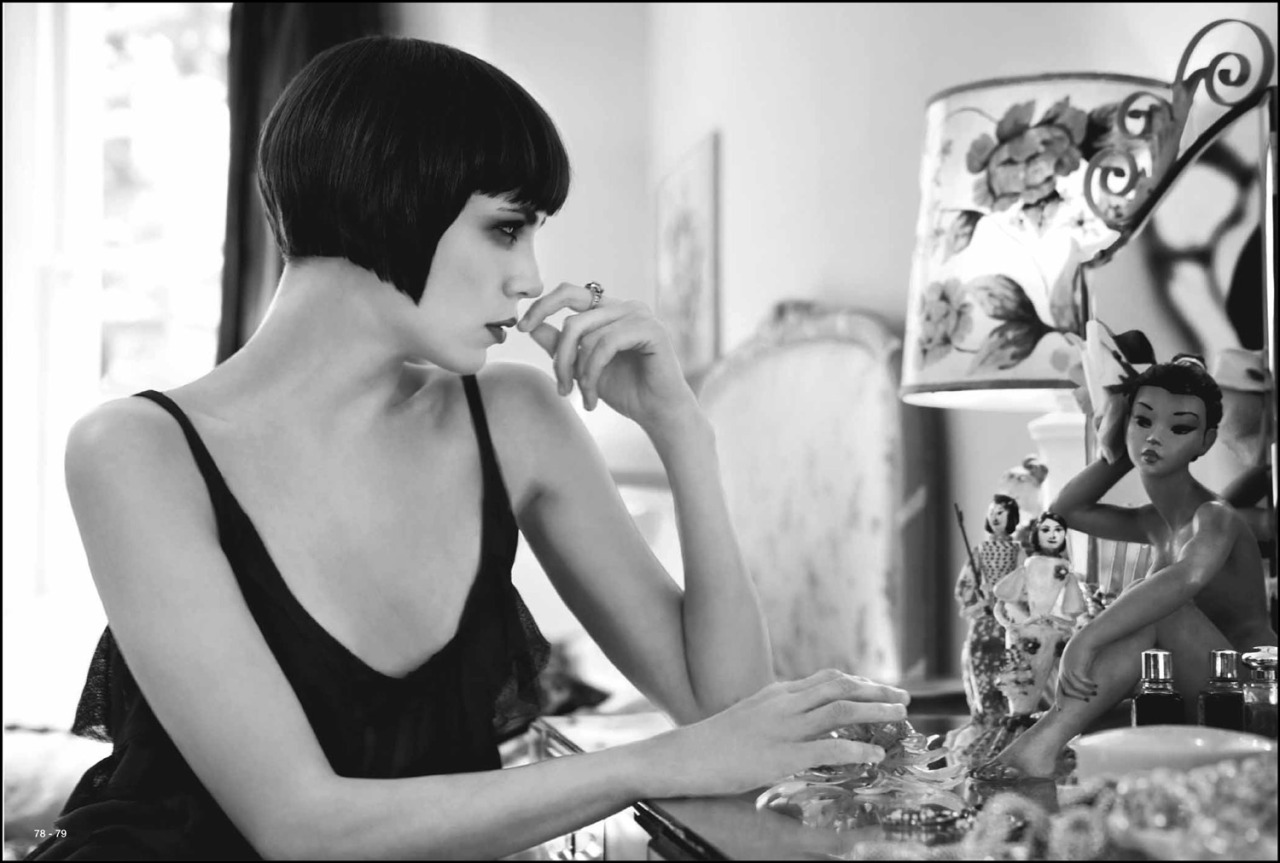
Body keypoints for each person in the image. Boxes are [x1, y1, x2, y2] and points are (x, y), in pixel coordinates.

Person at [29, 36, 910, 860]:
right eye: (506, 227)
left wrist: (682, 429)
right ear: (387, 195)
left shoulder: (516, 421)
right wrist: (652, 763)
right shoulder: (135, 452)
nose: (531, 278)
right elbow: (300, 827)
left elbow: (727, 715)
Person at [977, 355, 1278, 782]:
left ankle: (1036, 749)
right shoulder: (1153, 523)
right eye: (1143, 420)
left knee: (1157, 605)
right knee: (1093, 726)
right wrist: (1121, 450)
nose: (1155, 436)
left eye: (1179, 428)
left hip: (1252, 698)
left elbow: (1183, 581)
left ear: (1205, 441)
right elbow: (1066, 511)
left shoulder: (1216, 517)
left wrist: (1084, 641)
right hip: (1191, 694)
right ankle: (1039, 747)